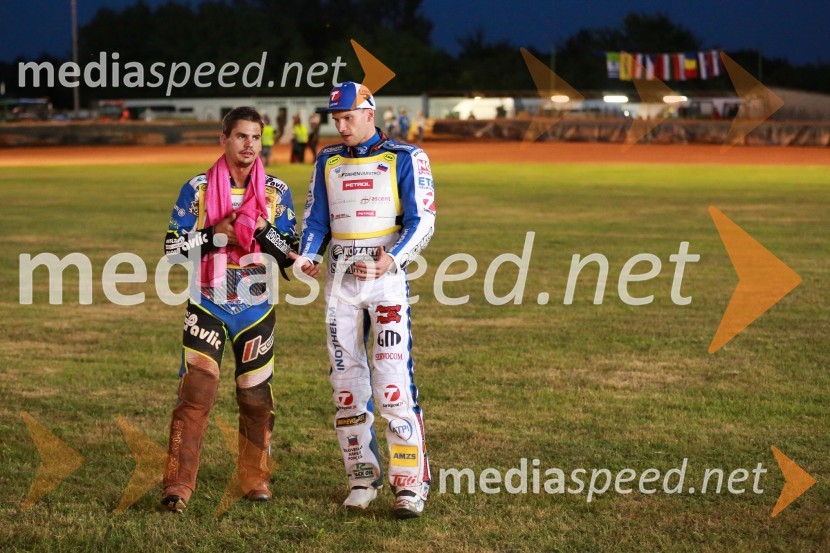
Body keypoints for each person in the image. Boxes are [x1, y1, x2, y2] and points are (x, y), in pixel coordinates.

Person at [294, 82, 436, 519]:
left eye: (348, 117)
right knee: (346, 387)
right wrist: (308, 254)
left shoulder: (405, 156)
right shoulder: (328, 160)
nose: (340, 126)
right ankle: (361, 478)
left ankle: (410, 484)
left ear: (369, 114)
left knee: (393, 385)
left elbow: (423, 220)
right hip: (341, 286)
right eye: (335, 119)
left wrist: (390, 260)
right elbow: (316, 217)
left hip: (385, 284)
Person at [161, 106, 299, 513]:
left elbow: (290, 254)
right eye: (241, 136)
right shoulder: (198, 188)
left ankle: (255, 479)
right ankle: (178, 485)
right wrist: (214, 235)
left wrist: (262, 229)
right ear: (224, 139)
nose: (249, 145)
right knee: (195, 394)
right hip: (207, 301)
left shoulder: (276, 191)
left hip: (256, 307)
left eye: (255, 137)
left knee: (255, 397)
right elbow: (172, 248)